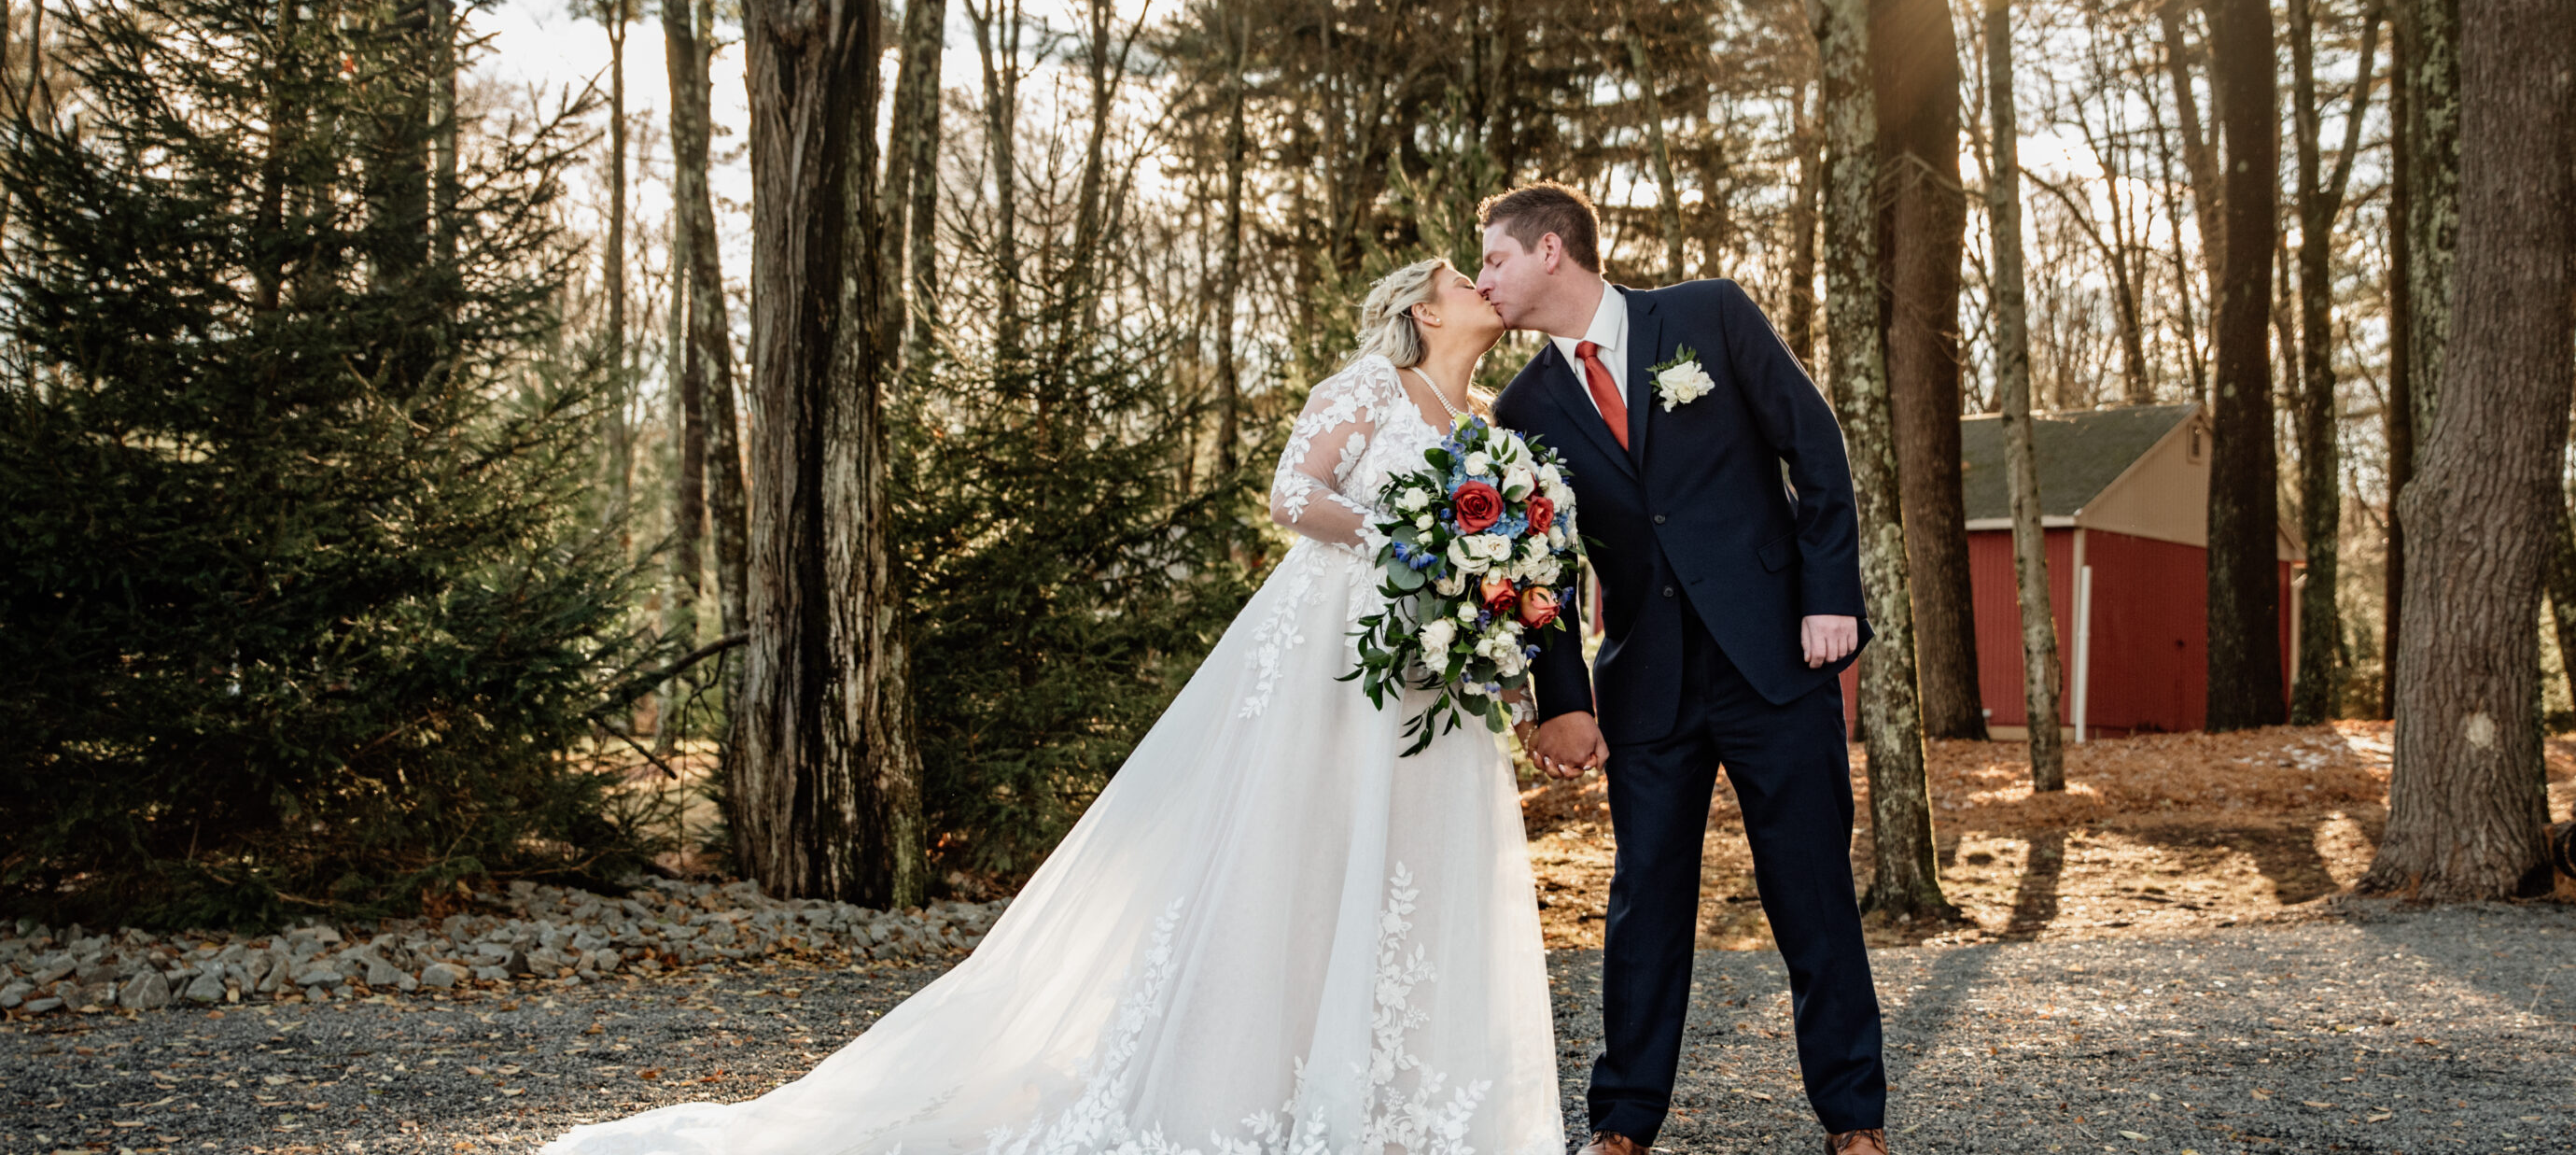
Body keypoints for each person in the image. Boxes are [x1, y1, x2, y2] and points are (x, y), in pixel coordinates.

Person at [540, 260, 1562, 1155]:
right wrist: (1404, 539)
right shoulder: (1369, 386)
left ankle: (1382, 1102)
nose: (1480, 288)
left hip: (1423, 675)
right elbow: (1293, 494)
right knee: (1291, 859)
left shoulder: (1481, 428)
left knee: (1401, 869)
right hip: (1326, 661)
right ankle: (1240, 1088)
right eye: (1461, 280)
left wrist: (1505, 660)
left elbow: (1498, 575)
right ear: (1426, 314)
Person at [1475, 182, 1890, 1155]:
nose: (1484, 278)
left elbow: (1814, 447)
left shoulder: (1705, 314)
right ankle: (1622, 1122)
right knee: (1644, 899)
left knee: (1811, 890)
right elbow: (1541, 569)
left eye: (1492, 257)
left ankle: (1855, 1120)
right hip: (1649, 685)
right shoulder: (1524, 402)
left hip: (1775, 661)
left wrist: (1830, 596)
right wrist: (1561, 702)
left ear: (1548, 249)